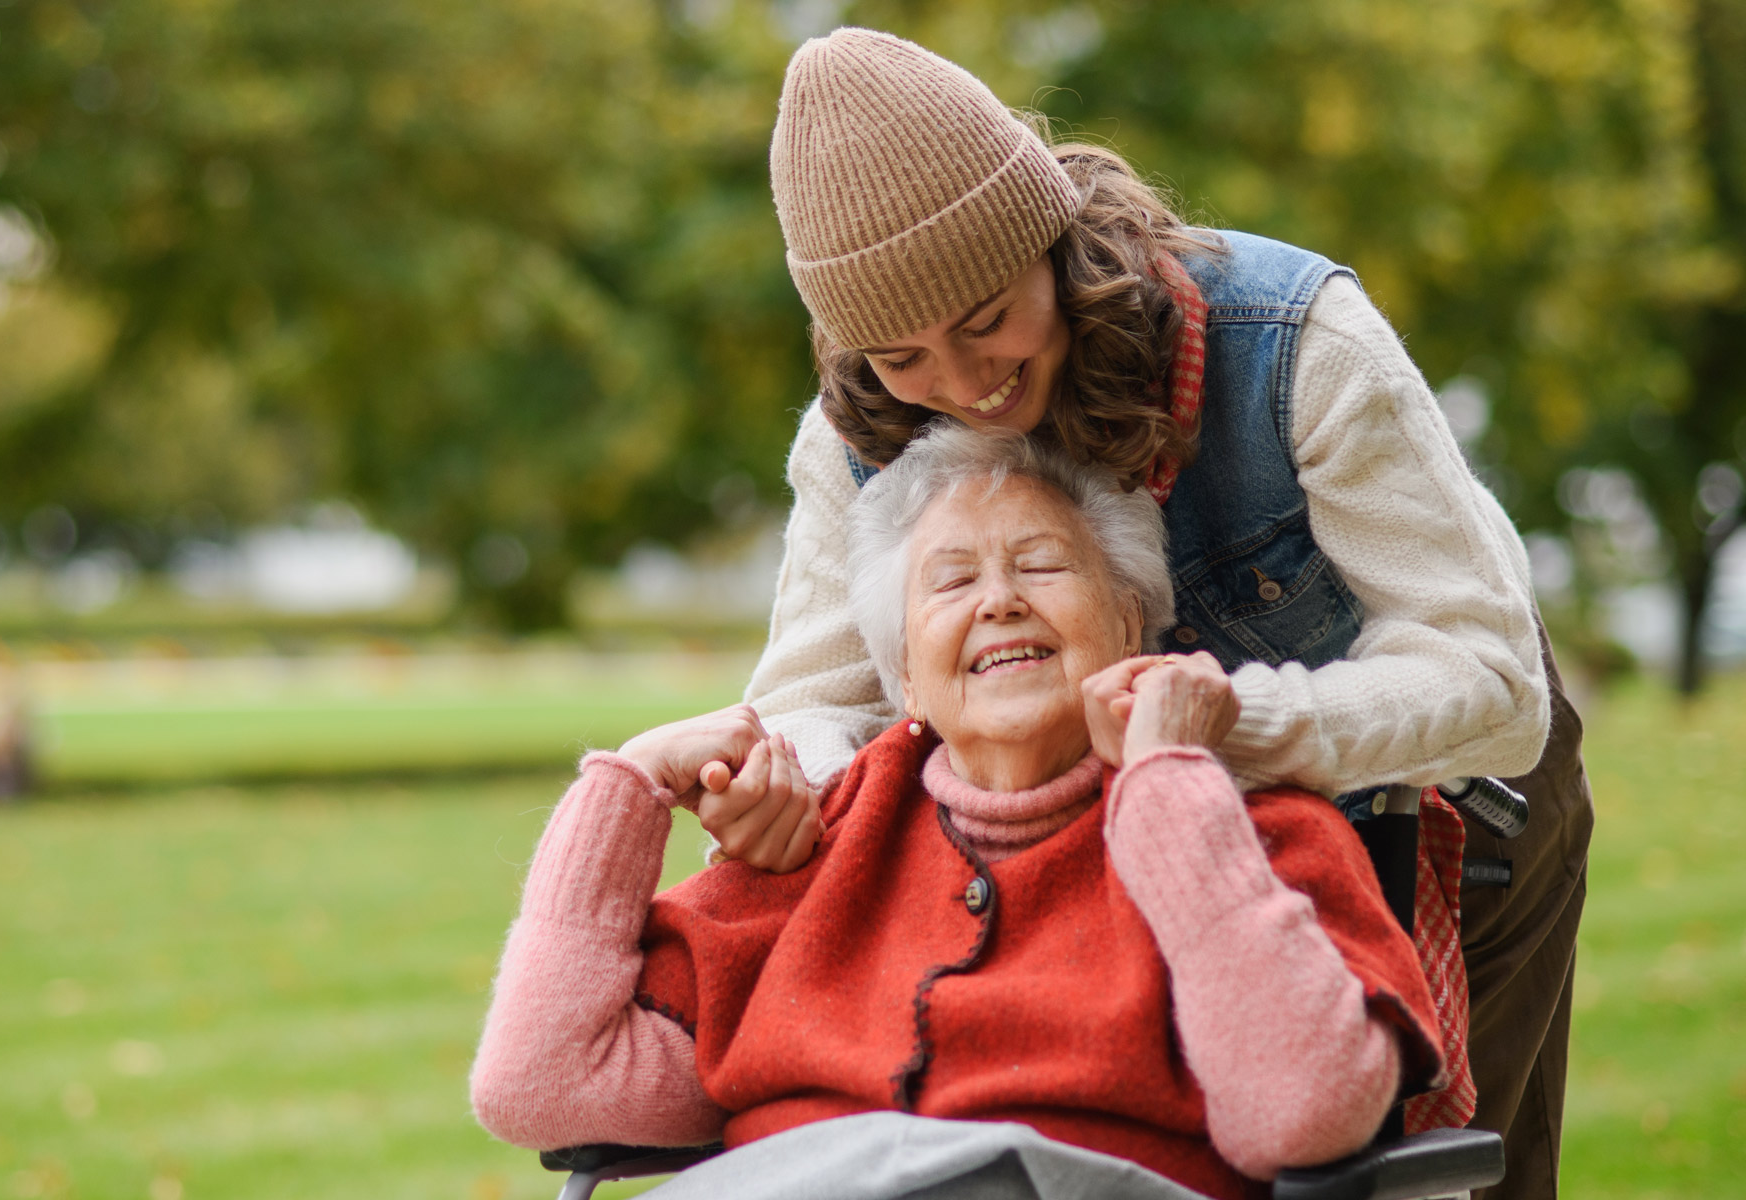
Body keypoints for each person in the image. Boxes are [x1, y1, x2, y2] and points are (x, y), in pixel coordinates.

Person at [660, 29, 1591, 1196]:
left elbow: (1493, 686)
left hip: (1442, 814)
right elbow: (812, 698)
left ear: (1046, 245)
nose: (958, 385)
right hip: (1108, 869)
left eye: (986, 318)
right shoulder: (849, 441)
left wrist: (1221, 732)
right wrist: (781, 775)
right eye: (900, 355)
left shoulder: (1296, 344)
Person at [472, 429, 1449, 1200]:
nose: (998, 602)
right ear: (903, 673)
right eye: (950, 580)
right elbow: (542, 1084)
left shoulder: (1253, 833)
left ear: (1127, 622)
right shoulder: (815, 842)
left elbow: (1304, 1115)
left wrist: (1168, 787)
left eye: (1041, 565)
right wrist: (628, 785)